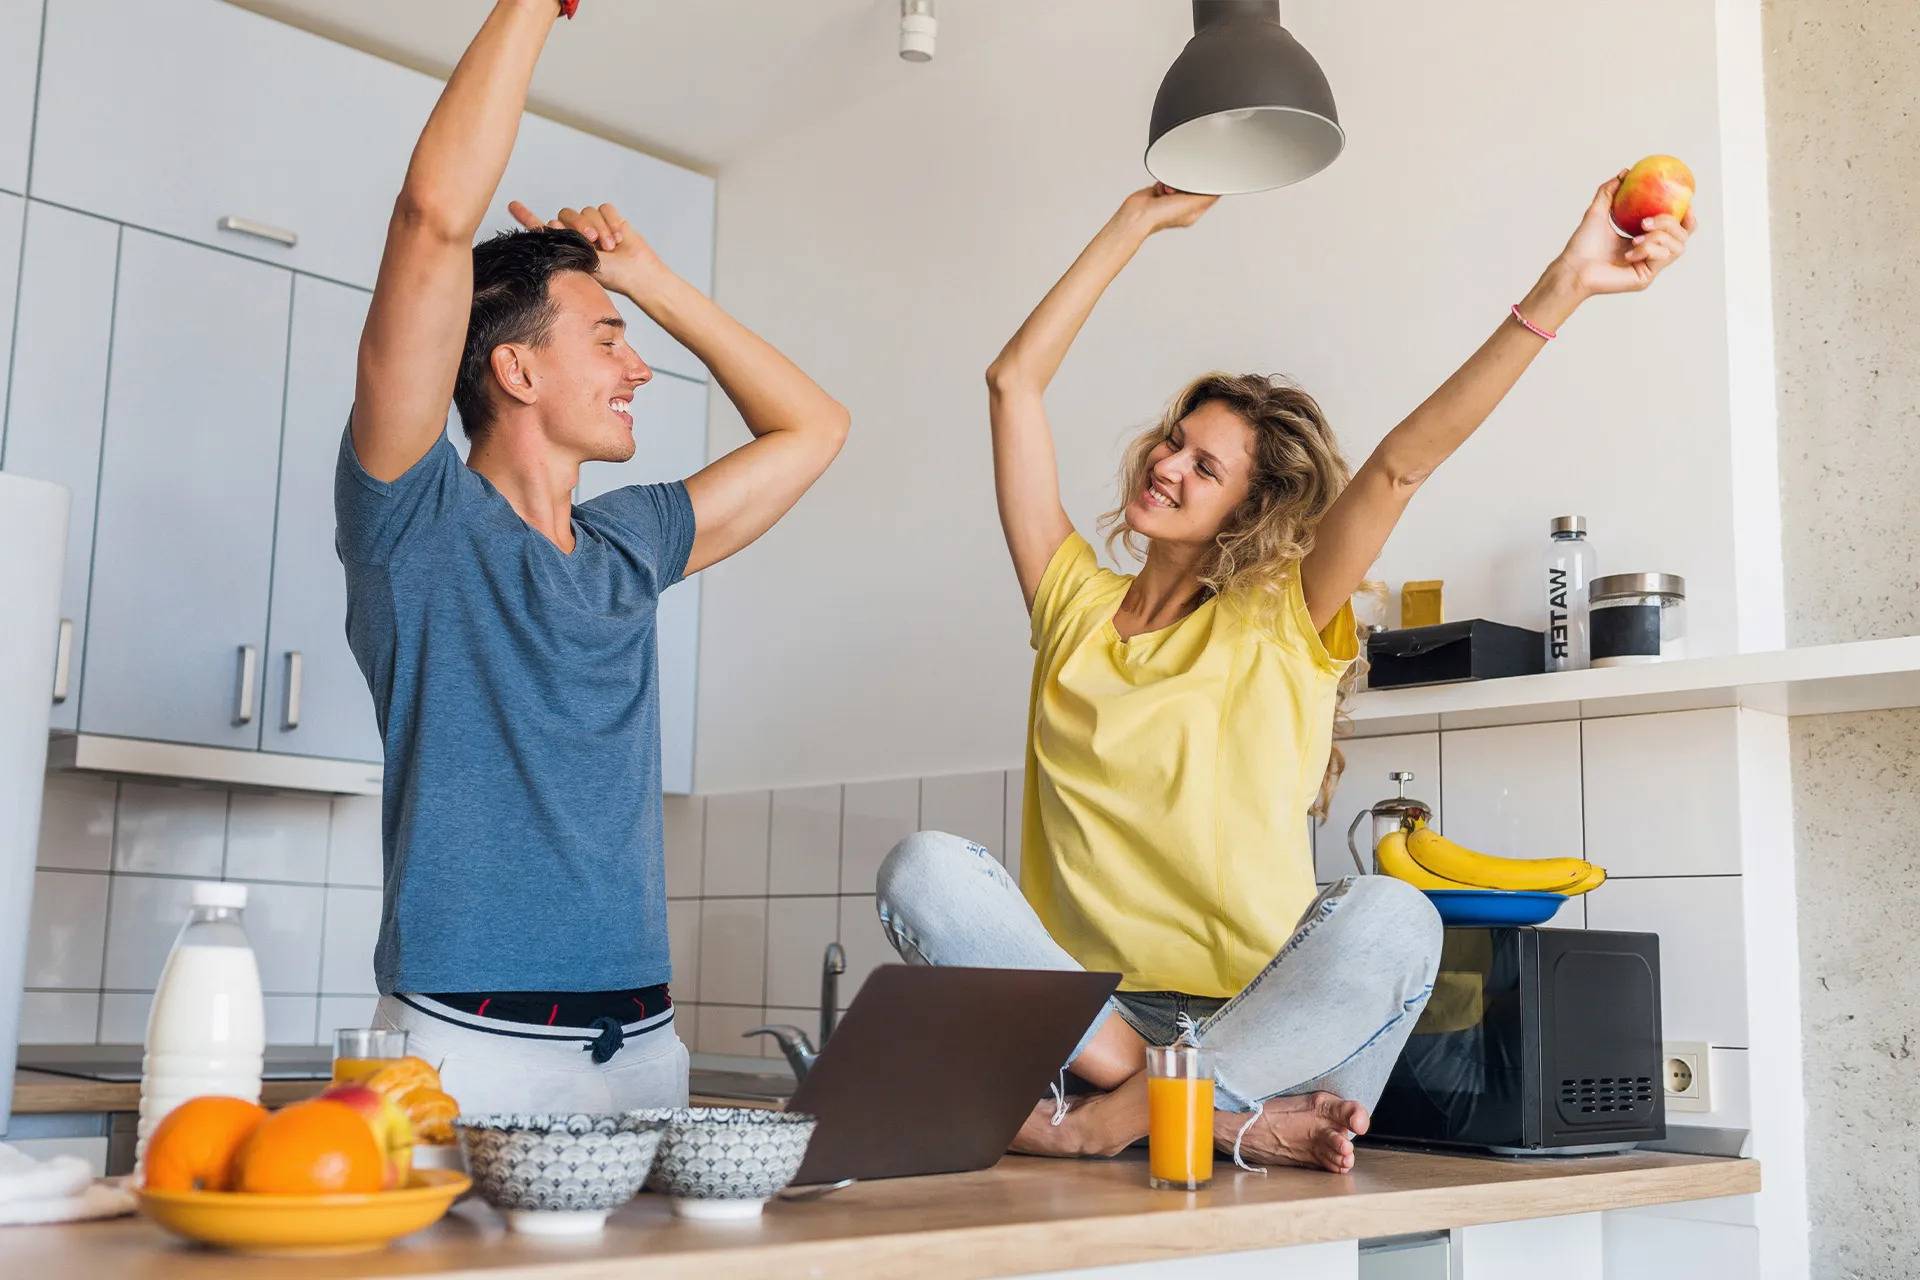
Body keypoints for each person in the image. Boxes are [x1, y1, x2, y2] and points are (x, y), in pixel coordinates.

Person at [876, 177, 1694, 1172]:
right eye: (1175, 440)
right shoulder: (1072, 604)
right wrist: (1135, 221)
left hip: (1272, 1028)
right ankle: (1183, 1108)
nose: (1168, 465)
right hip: (1092, 1027)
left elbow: (1399, 465)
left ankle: (1127, 1114)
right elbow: (1014, 381)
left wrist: (1565, 284)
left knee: (1393, 912)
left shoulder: (1285, 615)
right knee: (920, 867)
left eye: (1205, 467)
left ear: (1247, 509)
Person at [337, 0, 848, 1113]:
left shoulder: (628, 544)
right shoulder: (415, 519)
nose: (640, 369)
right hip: (457, 1048)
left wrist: (648, 285)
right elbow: (432, 217)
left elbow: (813, 428)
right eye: (609, 340)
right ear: (515, 370)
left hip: (643, 1044)